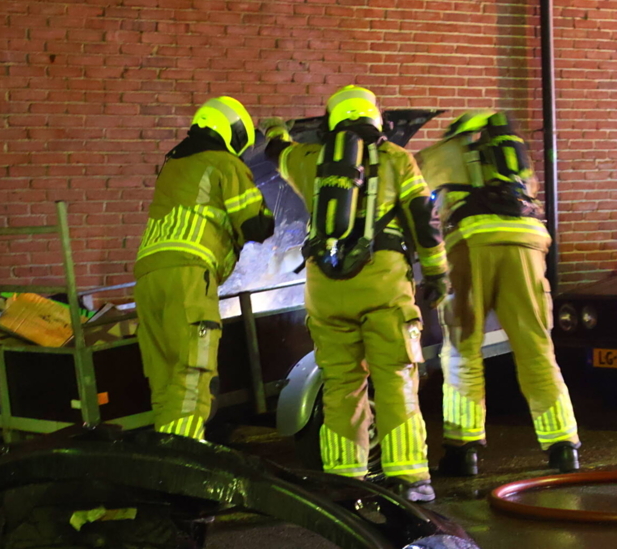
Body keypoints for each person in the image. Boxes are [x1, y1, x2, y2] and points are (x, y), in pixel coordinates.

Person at [261, 85, 448, 503]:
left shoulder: (311, 161)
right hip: (381, 284)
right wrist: (437, 272)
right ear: (374, 120)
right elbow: (424, 216)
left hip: (325, 289)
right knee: (395, 378)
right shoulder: (398, 159)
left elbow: (279, 152)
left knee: (341, 385)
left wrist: (275, 131)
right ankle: (410, 479)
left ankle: (345, 481)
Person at [421, 110, 580, 475]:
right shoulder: (515, 159)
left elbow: (420, 205)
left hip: (470, 244)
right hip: (527, 244)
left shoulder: (438, 154)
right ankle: (563, 446)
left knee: (463, 349)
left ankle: (464, 451)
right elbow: (530, 194)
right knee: (536, 348)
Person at [134, 97, 275, 440]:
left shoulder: (174, 165)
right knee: (193, 377)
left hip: (148, 277)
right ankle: (181, 467)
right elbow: (256, 224)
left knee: (167, 381)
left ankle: (168, 454)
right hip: (189, 276)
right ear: (232, 131)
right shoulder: (225, 163)